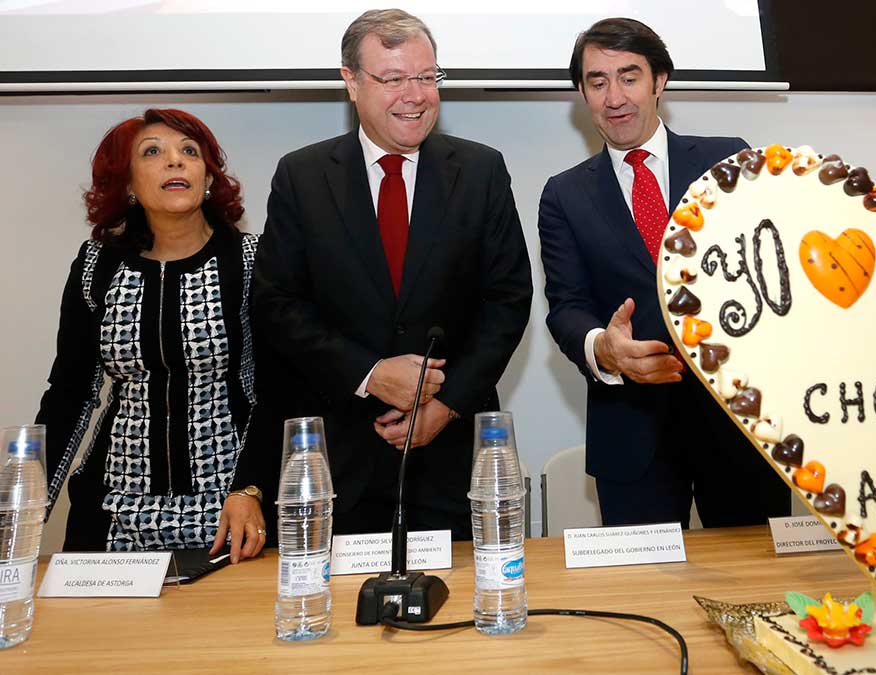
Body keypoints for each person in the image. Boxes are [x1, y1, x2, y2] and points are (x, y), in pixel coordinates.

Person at [254, 9, 532, 540]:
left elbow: (508, 299)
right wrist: (369, 373)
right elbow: (277, 305)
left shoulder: (481, 171)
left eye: (427, 77)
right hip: (341, 464)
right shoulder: (302, 176)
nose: (416, 94)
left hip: (452, 466)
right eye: (393, 78)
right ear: (351, 83)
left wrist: (446, 406)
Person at [538, 18, 790, 527]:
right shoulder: (563, 195)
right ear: (581, 93)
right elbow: (567, 307)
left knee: (759, 590)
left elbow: (771, 279)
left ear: (660, 80)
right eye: (597, 81)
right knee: (641, 594)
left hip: (738, 423)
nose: (614, 97)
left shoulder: (727, 159)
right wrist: (602, 349)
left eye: (629, 76)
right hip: (632, 436)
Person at [36, 109, 268, 562]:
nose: (175, 162)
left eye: (189, 152)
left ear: (208, 177)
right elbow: (70, 394)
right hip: (114, 509)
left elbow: (276, 389)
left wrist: (250, 486)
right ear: (127, 184)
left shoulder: (249, 261)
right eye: (153, 153)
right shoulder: (95, 265)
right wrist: (24, 509)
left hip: (232, 509)